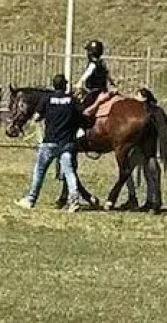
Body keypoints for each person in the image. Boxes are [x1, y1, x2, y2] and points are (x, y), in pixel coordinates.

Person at [16, 74, 86, 212]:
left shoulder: (47, 99)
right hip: (66, 143)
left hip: (50, 142)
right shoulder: (71, 100)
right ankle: (74, 202)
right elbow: (81, 117)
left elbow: (36, 117)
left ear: (54, 85)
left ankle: (30, 200)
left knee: (39, 172)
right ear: (65, 86)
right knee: (69, 172)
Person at [77, 38, 116, 121]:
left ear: (91, 53)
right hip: (104, 90)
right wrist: (112, 84)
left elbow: (86, 75)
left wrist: (79, 83)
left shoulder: (92, 64)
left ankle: (84, 126)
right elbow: (108, 75)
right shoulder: (102, 63)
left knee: (82, 112)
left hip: (94, 93)